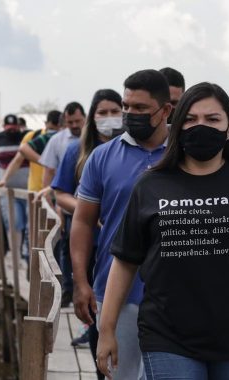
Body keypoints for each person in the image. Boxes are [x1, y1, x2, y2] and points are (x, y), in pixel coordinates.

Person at [96, 82, 229, 380]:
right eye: (191, 119)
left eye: (212, 120)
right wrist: (106, 330)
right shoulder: (150, 186)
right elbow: (125, 260)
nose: (201, 127)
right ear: (177, 126)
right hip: (167, 335)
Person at [71, 69, 172, 379]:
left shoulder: (185, 154)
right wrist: (81, 283)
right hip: (117, 292)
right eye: (126, 106)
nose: (130, 114)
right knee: (121, 374)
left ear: (165, 110)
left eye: (140, 108)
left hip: (175, 294)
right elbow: (83, 223)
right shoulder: (102, 157)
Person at [51, 89, 123, 380]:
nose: (108, 118)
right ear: (93, 117)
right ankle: (100, 370)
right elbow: (60, 194)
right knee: (97, 313)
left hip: (122, 247)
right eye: (102, 112)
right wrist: (89, 212)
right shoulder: (77, 151)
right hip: (91, 244)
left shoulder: (133, 150)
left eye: (114, 111)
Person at [0, 114, 30, 256]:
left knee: (28, 224)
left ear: (18, 126)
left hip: (28, 190)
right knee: (14, 223)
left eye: (14, 127)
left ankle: (24, 254)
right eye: (8, 128)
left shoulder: (27, 137)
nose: (11, 130)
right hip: (8, 191)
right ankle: (15, 255)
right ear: (4, 127)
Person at [0, 110, 62, 191]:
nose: (53, 133)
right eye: (51, 129)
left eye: (58, 129)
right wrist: (4, 179)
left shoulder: (64, 139)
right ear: (46, 123)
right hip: (35, 190)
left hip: (55, 189)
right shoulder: (33, 136)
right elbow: (18, 160)